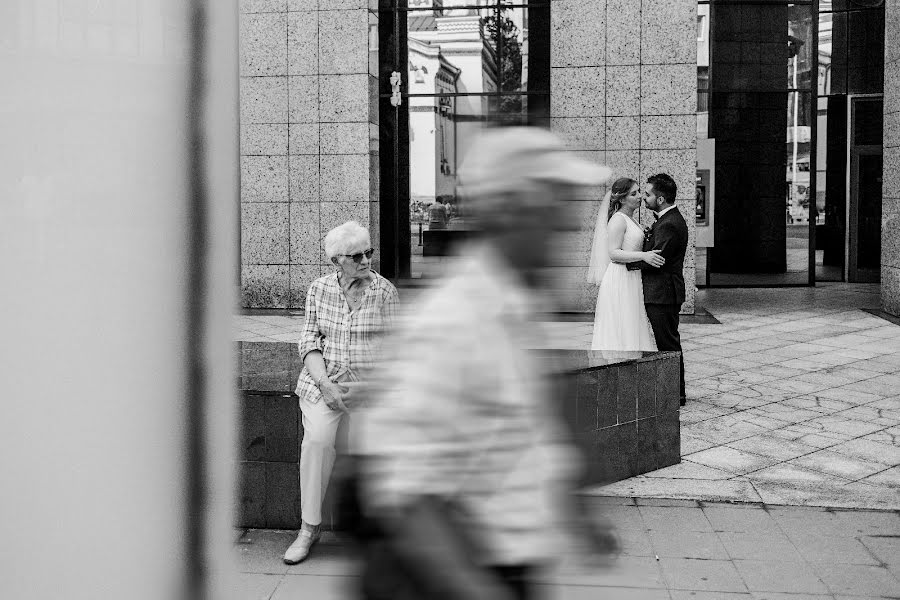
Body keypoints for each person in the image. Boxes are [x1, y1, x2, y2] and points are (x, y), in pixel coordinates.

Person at [357, 127, 617, 600]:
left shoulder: (513, 307)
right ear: (510, 210)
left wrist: (576, 516)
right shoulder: (453, 321)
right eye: (555, 204)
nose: (569, 224)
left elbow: (525, 434)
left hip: (507, 564)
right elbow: (408, 495)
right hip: (465, 573)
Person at [283, 221, 399, 565]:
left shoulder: (385, 291)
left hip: (370, 385)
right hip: (325, 382)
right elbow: (308, 340)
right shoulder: (318, 290)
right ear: (337, 260)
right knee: (317, 441)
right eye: (356, 256)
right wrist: (325, 384)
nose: (366, 261)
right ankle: (308, 528)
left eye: (369, 253)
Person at [626, 174, 689, 405]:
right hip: (661, 292)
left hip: (663, 293)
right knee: (667, 342)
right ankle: (675, 390)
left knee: (668, 344)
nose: (645, 198)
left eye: (649, 194)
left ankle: (676, 393)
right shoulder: (666, 220)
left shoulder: (670, 223)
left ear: (660, 198)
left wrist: (625, 262)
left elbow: (656, 260)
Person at [589, 177, 665, 351]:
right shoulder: (618, 220)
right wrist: (644, 256)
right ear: (622, 199)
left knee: (631, 322)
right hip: (620, 278)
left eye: (639, 192)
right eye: (634, 193)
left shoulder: (631, 219)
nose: (640, 196)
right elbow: (613, 253)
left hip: (632, 277)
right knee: (622, 323)